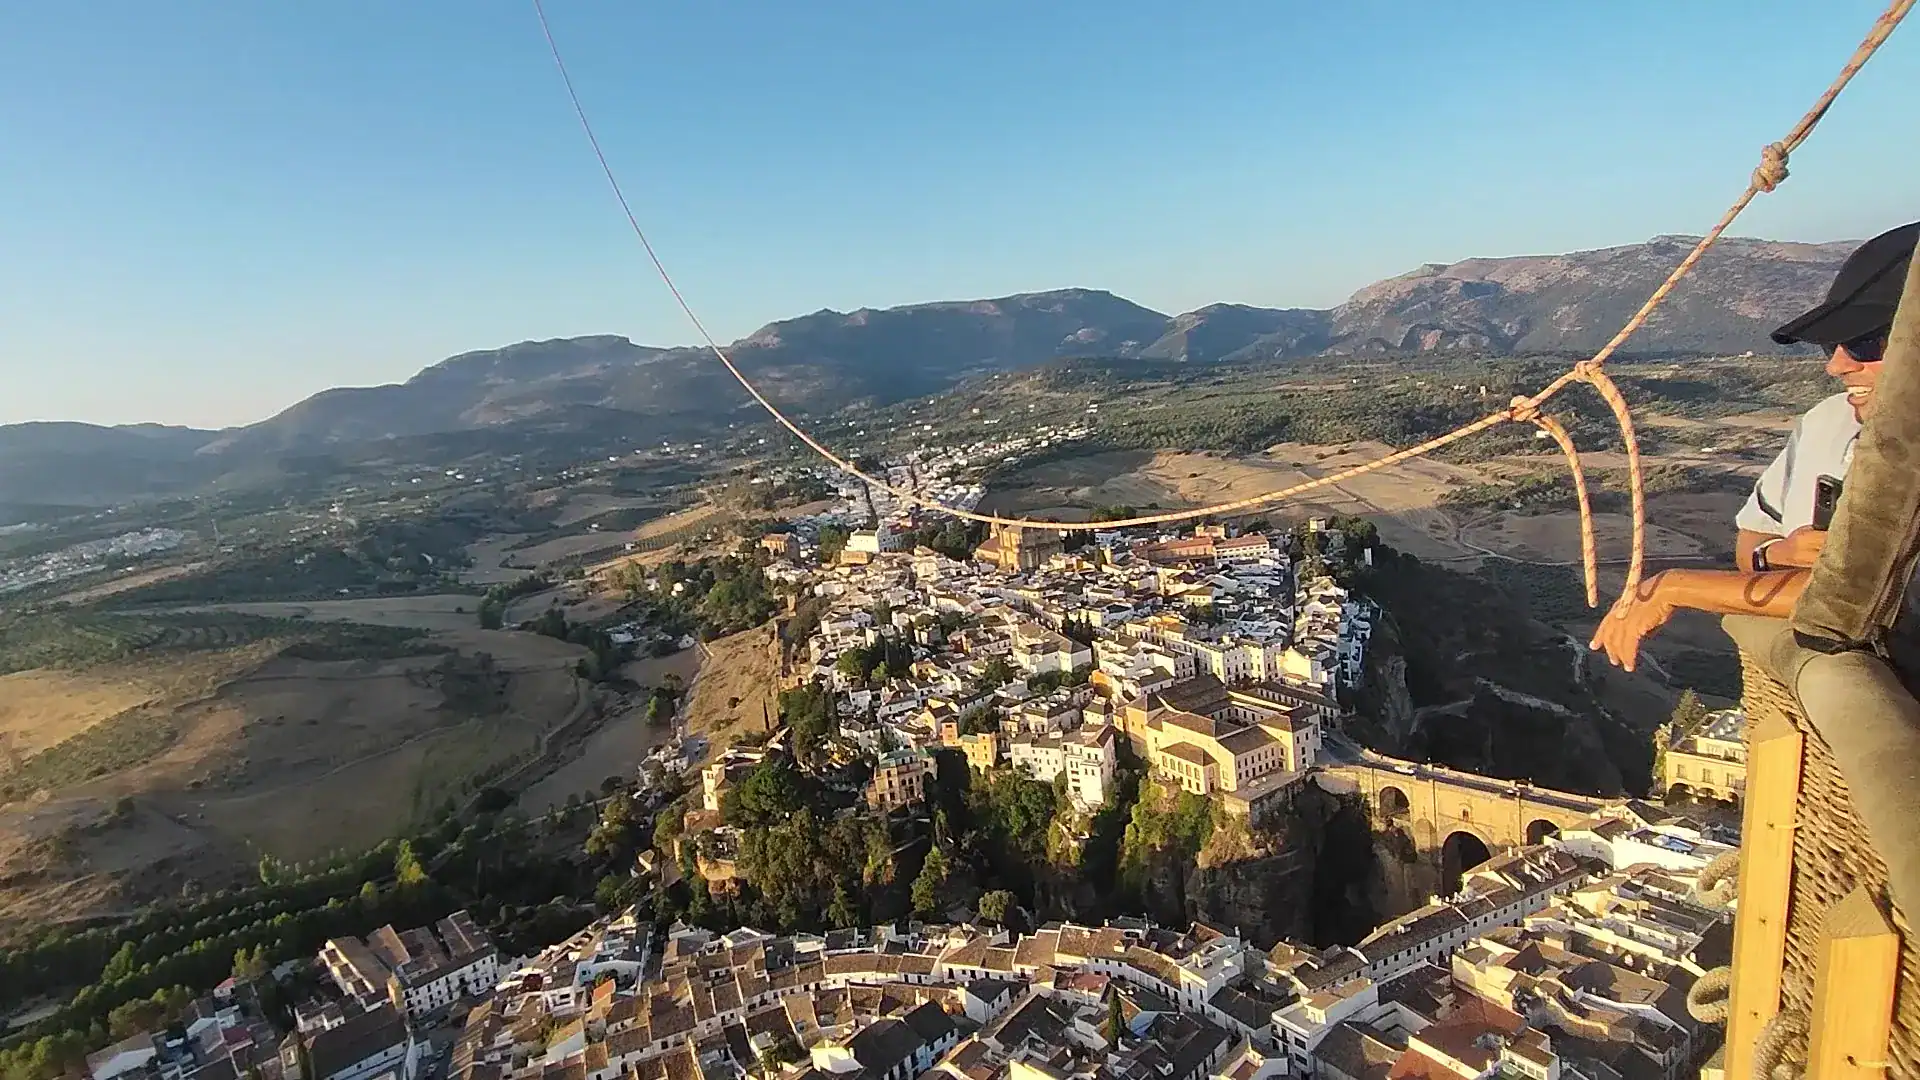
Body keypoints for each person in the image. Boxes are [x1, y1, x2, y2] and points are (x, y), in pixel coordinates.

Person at [1591, 220, 1918, 672]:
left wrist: (1675, 585)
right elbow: (1752, 541)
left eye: (1865, 344)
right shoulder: (1826, 422)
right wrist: (1777, 556)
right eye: (1830, 345)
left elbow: (1865, 600)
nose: (1838, 366)